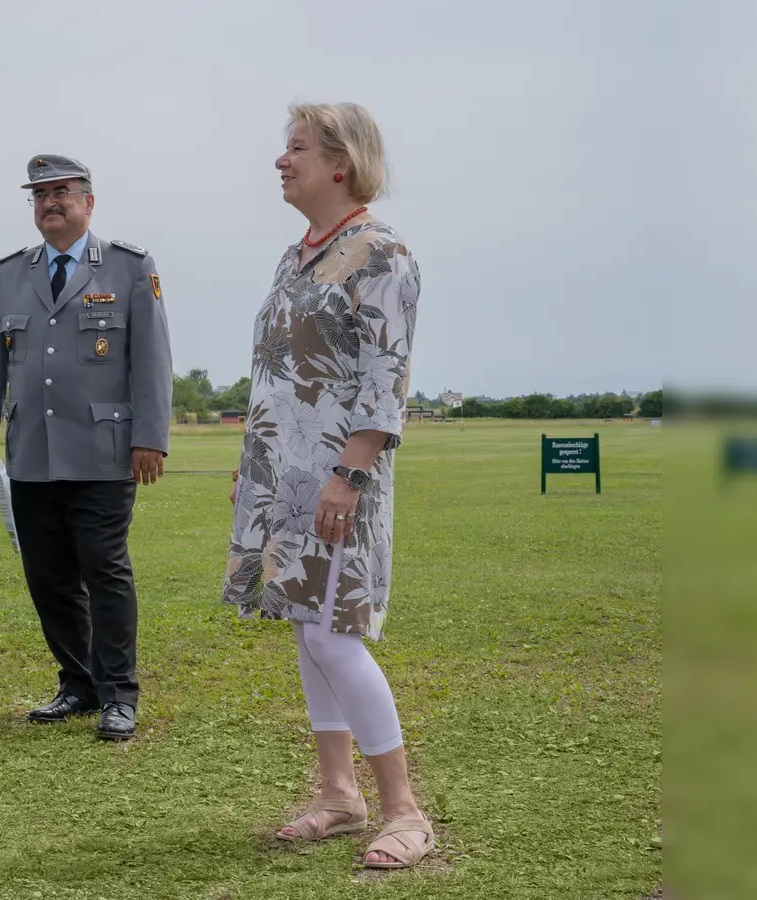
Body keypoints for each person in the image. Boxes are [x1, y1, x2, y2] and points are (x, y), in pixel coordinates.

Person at [222, 102, 434, 868]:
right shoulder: (296, 257)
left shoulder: (381, 253)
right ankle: (339, 795)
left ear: (340, 163)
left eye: (297, 148)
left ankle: (404, 812)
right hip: (286, 480)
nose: (282, 160)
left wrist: (350, 472)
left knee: (329, 633)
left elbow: (386, 377)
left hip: (341, 479)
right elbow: (280, 377)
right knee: (307, 630)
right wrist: (258, 475)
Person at [0, 154, 173, 742]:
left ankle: (118, 694)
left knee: (103, 569)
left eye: (61, 192)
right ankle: (78, 684)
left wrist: (149, 438)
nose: (49, 203)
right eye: (39, 195)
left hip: (105, 452)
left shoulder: (129, 268)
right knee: (48, 575)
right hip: (31, 450)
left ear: (88, 201)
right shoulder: (9, 273)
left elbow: (153, 360)